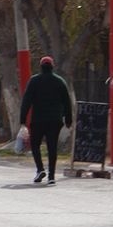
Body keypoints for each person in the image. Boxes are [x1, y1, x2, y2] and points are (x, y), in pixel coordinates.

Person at [19, 55, 73, 185]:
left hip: (38, 120)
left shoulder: (34, 81)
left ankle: (40, 169)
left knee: (35, 145)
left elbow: (26, 101)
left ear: (41, 67)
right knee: (52, 146)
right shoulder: (60, 81)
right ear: (52, 67)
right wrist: (68, 119)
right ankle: (51, 176)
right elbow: (67, 102)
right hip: (55, 120)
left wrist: (22, 120)